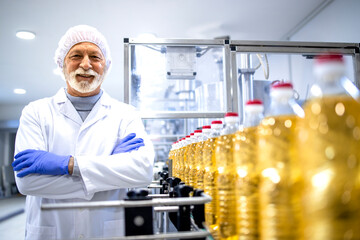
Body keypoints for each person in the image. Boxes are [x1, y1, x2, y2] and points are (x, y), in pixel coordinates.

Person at [12, 25, 155, 240]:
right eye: (76, 55)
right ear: (62, 64)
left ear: (105, 66)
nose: (86, 64)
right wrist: (111, 167)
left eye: (95, 57)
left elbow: (142, 172)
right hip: (51, 231)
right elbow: (27, 182)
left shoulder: (126, 114)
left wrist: (69, 165)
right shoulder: (36, 112)